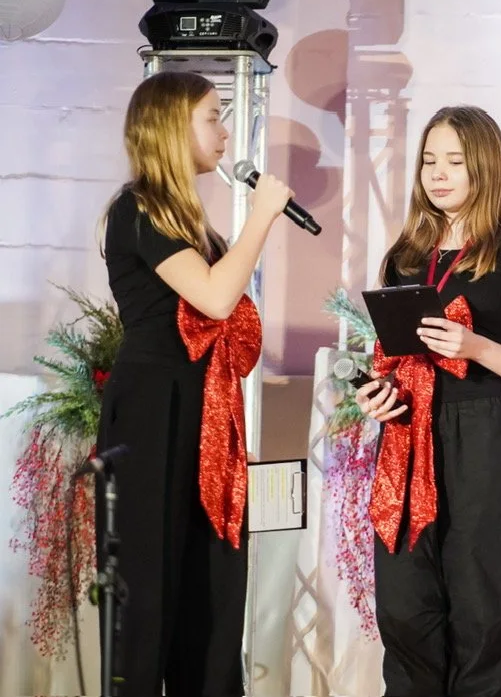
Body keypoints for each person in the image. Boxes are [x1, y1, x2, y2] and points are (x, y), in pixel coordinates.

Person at [96, 71, 293, 696]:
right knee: (149, 574)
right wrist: (261, 218)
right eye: (212, 117)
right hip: (153, 409)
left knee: (208, 573)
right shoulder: (139, 207)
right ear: (172, 127)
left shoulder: (190, 222)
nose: (224, 132)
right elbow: (213, 297)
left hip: (203, 407)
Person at [355, 105, 501, 697]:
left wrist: (476, 346)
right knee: (404, 608)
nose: (437, 174)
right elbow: (395, 357)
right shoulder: (405, 254)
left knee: (480, 611)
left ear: (485, 167)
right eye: (428, 161)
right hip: (407, 437)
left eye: (454, 161)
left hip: (482, 438)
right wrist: (378, 394)